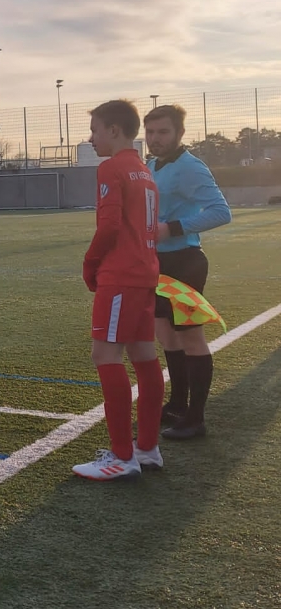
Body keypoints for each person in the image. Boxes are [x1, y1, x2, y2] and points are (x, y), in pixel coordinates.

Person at [73, 99, 165, 481]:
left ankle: (122, 456)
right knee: (144, 356)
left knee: (105, 355)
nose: (90, 138)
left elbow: (109, 226)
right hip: (145, 274)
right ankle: (147, 448)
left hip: (121, 275)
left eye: (94, 130)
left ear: (114, 130)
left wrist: (90, 262)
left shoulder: (111, 167)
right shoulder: (144, 171)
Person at [144, 104, 232, 439]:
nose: (155, 138)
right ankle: (177, 404)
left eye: (163, 132)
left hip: (185, 262)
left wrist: (173, 228)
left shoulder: (191, 167)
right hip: (156, 264)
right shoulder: (150, 165)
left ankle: (196, 418)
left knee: (190, 337)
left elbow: (221, 212)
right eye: (150, 132)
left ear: (180, 133)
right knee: (166, 335)